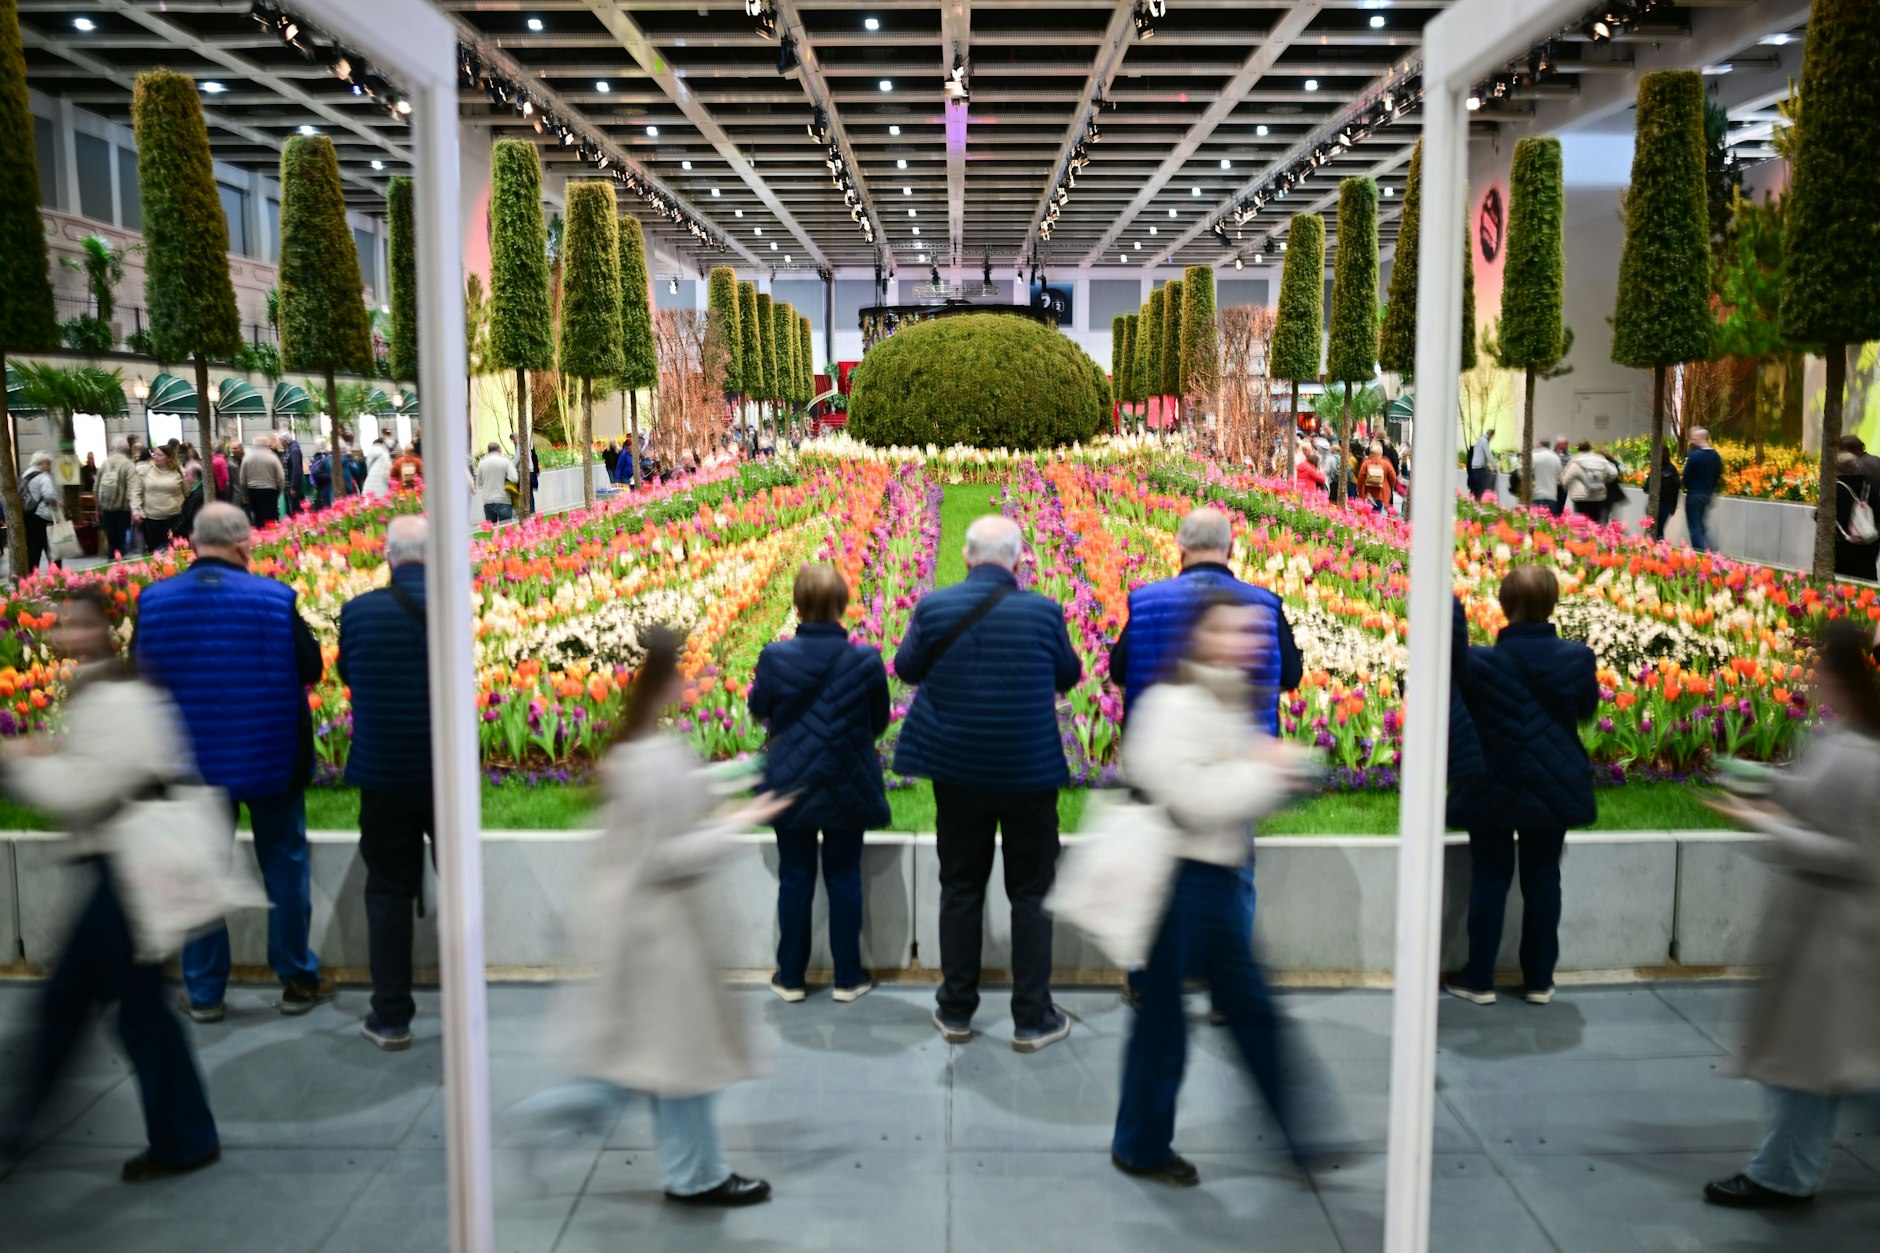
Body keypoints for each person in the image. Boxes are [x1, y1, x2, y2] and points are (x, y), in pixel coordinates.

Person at [513, 626, 785, 1207]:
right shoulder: (652, 758)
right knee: (677, 1062)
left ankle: (685, 1169)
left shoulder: (634, 749)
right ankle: (695, 1177)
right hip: (662, 937)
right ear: (667, 680)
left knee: (646, 1063)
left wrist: (738, 777)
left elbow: (680, 792)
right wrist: (742, 818)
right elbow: (666, 854)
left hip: (641, 931)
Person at [0, 587, 221, 1183]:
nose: (65, 635)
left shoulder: (116, 695)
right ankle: (186, 1136)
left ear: (106, 627)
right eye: (61, 625)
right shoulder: (112, 686)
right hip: (124, 868)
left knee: (76, 1010)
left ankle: (17, 1134)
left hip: (125, 873)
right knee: (125, 1012)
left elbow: (87, 788)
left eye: (77, 624)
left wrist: (18, 765)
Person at [1111, 592, 1319, 1186]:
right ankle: (1140, 1145)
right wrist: (1266, 775)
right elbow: (1197, 800)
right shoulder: (1175, 706)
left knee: (1252, 1014)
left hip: (1214, 880)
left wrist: (1271, 770)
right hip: (1176, 882)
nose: (1249, 643)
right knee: (1166, 1028)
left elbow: (1233, 777)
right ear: (1200, 636)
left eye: (1253, 633)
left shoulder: (1223, 699)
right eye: (1232, 631)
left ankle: (1297, 1137)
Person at [1702, 622, 1880, 1210]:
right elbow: (1813, 796)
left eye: (1820, 670)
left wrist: (1765, 821)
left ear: (1840, 675)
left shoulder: (1868, 755)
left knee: (1809, 1062)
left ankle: (1782, 1176)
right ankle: (1783, 1172)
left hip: (1842, 938)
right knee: (1828, 1060)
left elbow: (1860, 856)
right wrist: (1762, 785)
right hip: (1821, 931)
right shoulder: (1843, 740)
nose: (1813, 680)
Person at [135, 504, 333, 1022]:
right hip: (271, 758)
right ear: (245, 543)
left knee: (198, 874)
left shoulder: (154, 602)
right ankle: (295, 978)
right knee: (285, 867)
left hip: (190, 766)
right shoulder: (274, 598)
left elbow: (140, 677)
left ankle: (204, 993)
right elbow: (310, 667)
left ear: (195, 543)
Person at [893, 514, 1081, 1052]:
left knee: (960, 888)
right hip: (1028, 772)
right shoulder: (1044, 612)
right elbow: (1068, 675)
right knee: (1030, 893)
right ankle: (1031, 1016)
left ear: (966, 558)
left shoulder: (934, 608)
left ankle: (955, 1010)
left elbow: (907, 668)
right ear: (1019, 561)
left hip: (958, 773)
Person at [1109, 508, 1304, 1017]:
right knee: (1233, 873)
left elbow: (1118, 668)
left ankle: (1147, 981)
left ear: (1180, 547)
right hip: (1232, 763)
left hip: (1161, 759)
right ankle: (1227, 992)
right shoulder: (1262, 605)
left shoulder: (1147, 601)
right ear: (1231, 549)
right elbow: (1292, 676)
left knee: (1151, 871)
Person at [1443, 566, 1599, 1006]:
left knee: (1490, 877)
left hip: (1493, 781)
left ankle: (1479, 979)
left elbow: (1465, 709)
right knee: (1544, 877)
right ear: (1552, 604)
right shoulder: (1577, 658)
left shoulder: (1481, 662)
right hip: (1554, 783)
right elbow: (1586, 710)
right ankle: (1538, 980)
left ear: (1504, 605)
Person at [746, 563, 892, 1003]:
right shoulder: (865, 659)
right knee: (845, 876)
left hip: (792, 780)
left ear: (797, 604)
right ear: (843, 605)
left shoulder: (776, 657)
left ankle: (790, 976)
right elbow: (879, 721)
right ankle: (848, 977)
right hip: (849, 778)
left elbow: (758, 710)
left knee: (795, 877)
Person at [337, 515, 434, 1051]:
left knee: (389, 892)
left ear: (388, 555)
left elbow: (349, 675)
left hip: (384, 773)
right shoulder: (453, 607)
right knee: (461, 886)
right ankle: (471, 1000)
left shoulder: (357, 612)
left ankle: (391, 1016)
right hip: (443, 773)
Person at [1830, 450, 1880, 582]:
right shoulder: (1870, 488)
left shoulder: (1834, 490)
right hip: (1869, 545)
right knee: (1867, 581)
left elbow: (1823, 517)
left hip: (1843, 546)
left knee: (1842, 583)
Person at [18, 450, 64, 571]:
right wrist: (57, 501)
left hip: (29, 517)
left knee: (33, 553)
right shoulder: (43, 476)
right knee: (53, 552)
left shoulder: (25, 475)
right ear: (41, 463)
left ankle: (31, 581)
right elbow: (48, 495)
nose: (50, 467)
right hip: (44, 518)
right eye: (48, 464)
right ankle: (56, 578)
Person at [1682, 427, 1723, 551]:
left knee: (1694, 525)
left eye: (1694, 438)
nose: (1692, 441)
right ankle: (1712, 547)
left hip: (1694, 494)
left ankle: (1700, 553)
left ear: (1700, 439)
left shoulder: (1695, 456)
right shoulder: (1716, 456)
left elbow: (1686, 477)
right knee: (1700, 523)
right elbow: (1718, 475)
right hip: (1707, 495)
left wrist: (1686, 486)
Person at [96, 436, 135, 559]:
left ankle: (111, 564)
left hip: (107, 509)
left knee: (112, 541)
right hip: (123, 510)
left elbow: (95, 487)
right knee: (122, 541)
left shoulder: (104, 463)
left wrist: (98, 508)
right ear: (126, 448)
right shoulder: (128, 464)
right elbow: (132, 488)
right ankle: (122, 567)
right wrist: (135, 509)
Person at [239, 433, 285, 528]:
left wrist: (245, 494)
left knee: (257, 517)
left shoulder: (247, 458)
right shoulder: (273, 458)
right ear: (266, 445)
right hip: (270, 491)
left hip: (253, 491)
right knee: (271, 518)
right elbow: (281, 478)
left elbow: (242, 479)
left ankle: (259, 537)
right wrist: (278, 492)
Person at [1562, 441, 1611, 523]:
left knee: (1581, 524)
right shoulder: (1600, 460)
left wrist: (1572, 485)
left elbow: (1565, 480)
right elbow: (1613, 473)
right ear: (1590, 448)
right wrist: (1604, 480)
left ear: (1579, 449)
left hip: (1581, 498)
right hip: (1597, 497)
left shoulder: (1576, 462)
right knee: (1595, 524)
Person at [476, 442, 518, 524]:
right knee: (506, 531)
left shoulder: (482, 463)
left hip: (488, 501)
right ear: (499, 450)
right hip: (504, 500)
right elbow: (514, 478)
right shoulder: (505, 461)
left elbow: (479, 484)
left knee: (492, 532)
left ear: (489, 451)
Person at [1356, 440, 1400, 513]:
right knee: (1379, 515)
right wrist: (1389, 486)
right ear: (1381, 453)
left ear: (1371, 453)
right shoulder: (1386, 464)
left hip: (1369, 494)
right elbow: (1393, 477)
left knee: (1369, 514)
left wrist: (1361, 494)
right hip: (1382, 494)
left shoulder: (1366, 464)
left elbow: (1360, 479)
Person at [1652, 446, 1682, 541]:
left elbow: (1676, 487)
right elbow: (1676, 488)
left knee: (1658, 528)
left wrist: (1674, 505)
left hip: (1664, 503)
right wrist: (1674, 505)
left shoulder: (1662, 469)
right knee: (1658, 528)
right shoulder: (1671, 469)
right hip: (1665, 503)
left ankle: (1659, 548)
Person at [1529, 439, 1563, 516]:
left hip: (1536, 495)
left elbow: (1526, 474)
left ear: (1540, 445)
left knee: (1536, 524)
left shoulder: (1534, 456)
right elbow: (1560, 479)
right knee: (1550, 523)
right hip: (1551, 496)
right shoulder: (1556, 458)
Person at [175, 461, 206, 543]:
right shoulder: (198, 490)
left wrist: (174, 531)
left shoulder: (197, 495)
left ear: (195, 477)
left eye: (187, 475)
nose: (185, 479)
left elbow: (188, 517)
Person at [1466, 429, 1495, 499]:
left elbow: (1482, 456)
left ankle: (1473, 502)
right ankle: (1476, 502)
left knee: (1475, 488)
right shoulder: (1484, 441)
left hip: (1473, 467)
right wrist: (1495, 466)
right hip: (1478, 467)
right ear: (1490, 435)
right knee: (1480, 488)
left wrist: (1487, 466)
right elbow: (1487, 455)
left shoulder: (1479, 441)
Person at [282, 433, 305, 517]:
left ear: (285, 441)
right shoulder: (290, 449)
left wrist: (293, 487)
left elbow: (296, 469)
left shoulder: (294, 450)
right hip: (290, 486)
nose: (280, 443)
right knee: (294, 509)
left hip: (294, 487)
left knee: (296, 510)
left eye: (281, 441)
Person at [309, 443, 333, 511]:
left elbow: (315, 474)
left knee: (327, 507)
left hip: (323, 487)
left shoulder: (319, 458)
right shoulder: (327, 457)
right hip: (327, 487)